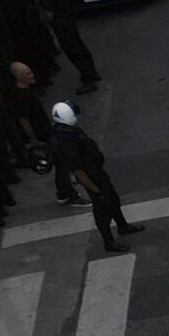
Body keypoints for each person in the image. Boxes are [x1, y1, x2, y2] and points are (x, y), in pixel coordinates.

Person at [49, 103, 141, 251]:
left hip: (97, 172)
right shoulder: (66, 142)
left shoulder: (70, 131)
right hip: (92, 178)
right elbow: (79, 171)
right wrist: (96, 191)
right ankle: (108, 241)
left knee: (113, 199)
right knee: (102, 209)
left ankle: (122, 225)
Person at [26, 0, 96, 94]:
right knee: (79, 47)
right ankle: (91, 73)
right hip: (67, 20)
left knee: (73, 51)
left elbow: (49, 13)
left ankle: (88, 79)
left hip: (61, 24)